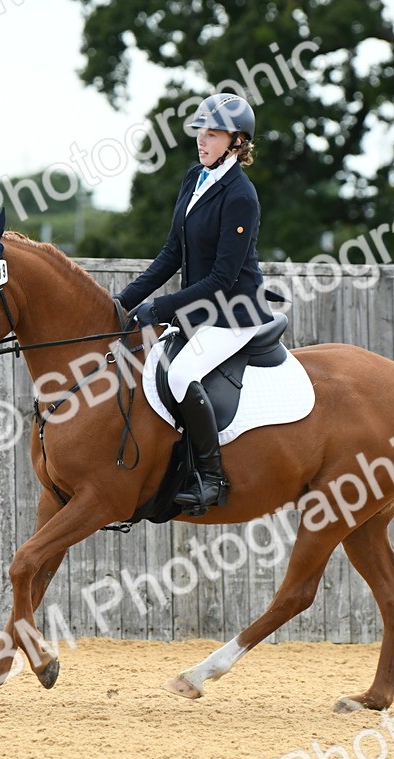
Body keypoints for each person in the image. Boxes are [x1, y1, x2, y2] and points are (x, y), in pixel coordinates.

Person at [115, 92, 274, 513]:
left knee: (182, 374)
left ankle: (210, 478)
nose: (202, 140)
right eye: (200, 132)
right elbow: (172, 254)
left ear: (237, 142)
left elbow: (222, 277)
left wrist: (162, 309)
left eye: (213, 133)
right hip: (201, 311)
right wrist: (122, 302)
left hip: (234, 313)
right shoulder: (194, 178)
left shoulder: (241, 195)